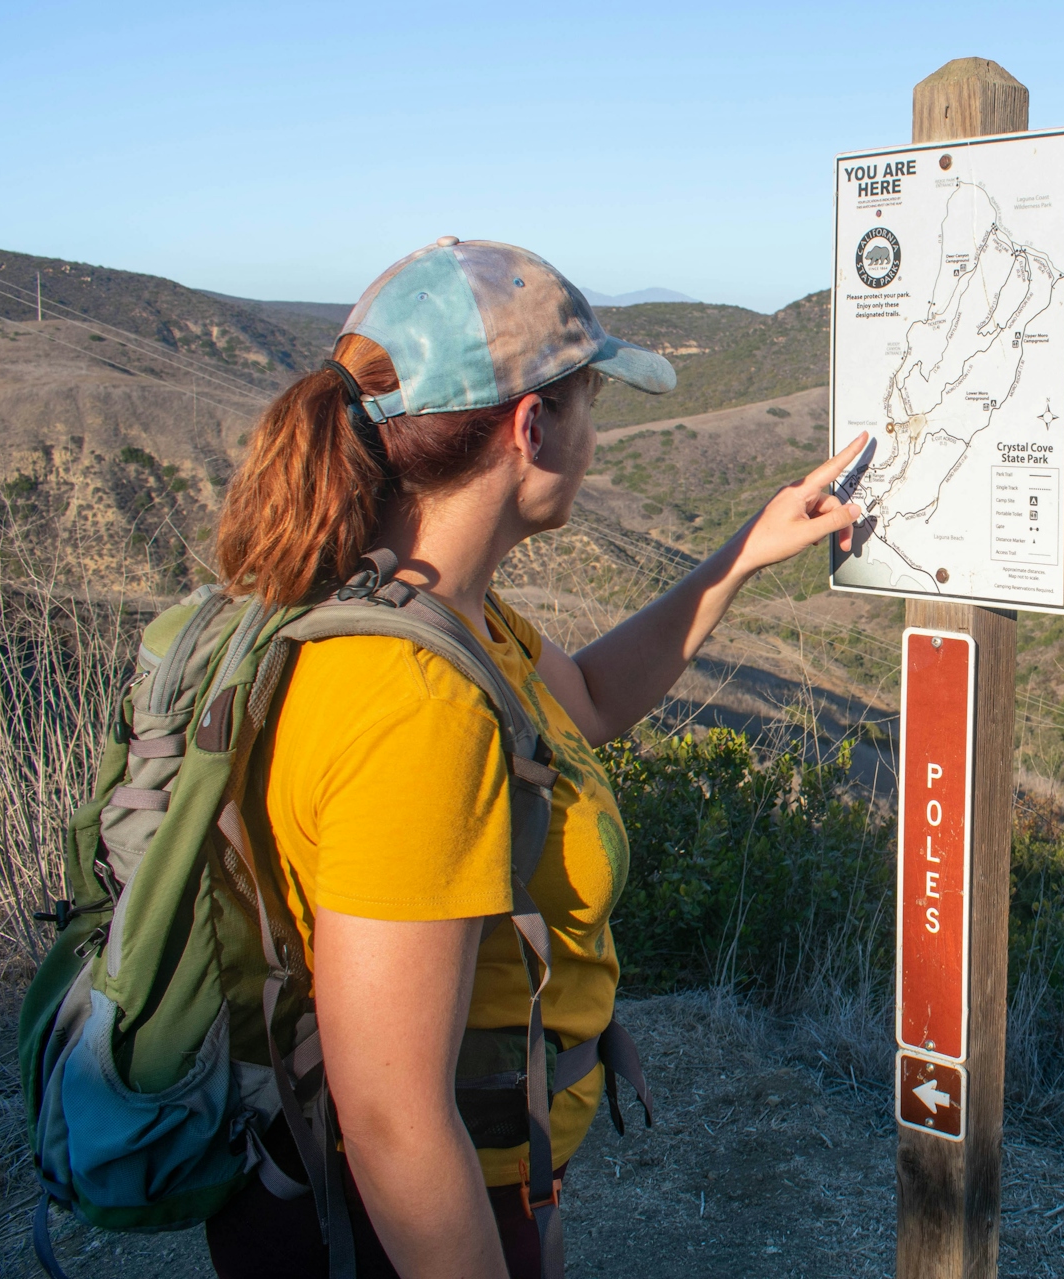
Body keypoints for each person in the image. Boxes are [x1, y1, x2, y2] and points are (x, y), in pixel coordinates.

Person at [204, 237, 866, 1279]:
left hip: (486, 1171)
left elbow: (593, 701)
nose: (594, 436)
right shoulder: (409, 703)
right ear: (529, 426)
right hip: (387, 1225)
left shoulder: (436, 615)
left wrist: (740, 552)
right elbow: (392, 1120)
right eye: (589, 404)